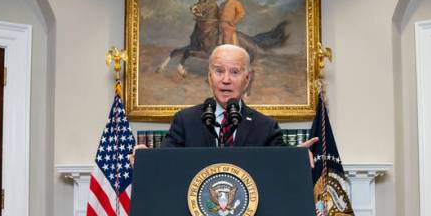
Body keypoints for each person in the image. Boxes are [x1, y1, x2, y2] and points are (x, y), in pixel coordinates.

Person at [130, 44, 316, 161]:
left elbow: (279, 164)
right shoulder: (186, 121)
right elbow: (166, 162)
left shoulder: (265, 126)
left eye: (235, 72)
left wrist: (295, 159)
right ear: (210, 77)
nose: (226, 80)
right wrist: (147, 158)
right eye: (219, 71)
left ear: (247, 79)